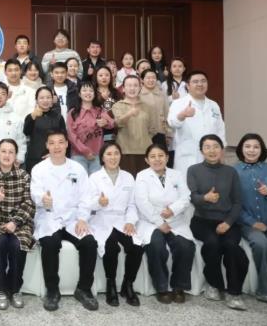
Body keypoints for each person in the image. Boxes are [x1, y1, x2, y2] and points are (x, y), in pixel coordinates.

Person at [30, 131, 98, 311]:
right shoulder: (39, 169)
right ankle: (52, 290)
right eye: (52, 143)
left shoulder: (77, 168)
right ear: (47, 146)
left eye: (61, 142)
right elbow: (35, 193)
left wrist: (82, 218)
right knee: (50, 244)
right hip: (49, 217)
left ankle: (84, 289)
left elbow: (86, 196)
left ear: (67, 144)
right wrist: (43, 199)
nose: (57, 146)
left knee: (89, 243)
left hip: (73, 218)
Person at [188, 134, 249, 311]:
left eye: (215, 146)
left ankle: (234, 293)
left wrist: (228, 223)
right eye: (207, 147)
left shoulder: (231, 172)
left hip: (227, 221)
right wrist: (204, 198)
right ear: (201, 151)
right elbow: (192, 197)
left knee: (232, 247)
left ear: (222, 150)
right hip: (202, 220)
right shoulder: (193, 170)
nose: (212, 150)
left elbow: (237, 202)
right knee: (212, 243)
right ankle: (215, 285)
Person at [135, 143, 195, 304]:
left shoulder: (177, 174)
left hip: (175, 220)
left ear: (167, 158)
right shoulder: (142, 176)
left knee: (186, 246)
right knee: (156, 246)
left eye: (161, 156)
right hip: (150, 221)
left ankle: (179, 286)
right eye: (153, 157)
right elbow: (142, 202)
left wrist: (173, 210)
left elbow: (186, 197)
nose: (157, 159)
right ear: (147, 160)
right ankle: (161, 287)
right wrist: (159, 222)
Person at [87, 142, 143, 307]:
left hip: (122, 220)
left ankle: (128, 284)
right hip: (102, 219)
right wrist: (99, 202)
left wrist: (130, 221)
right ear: (102, 158)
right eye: (109, 154)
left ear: (120, 156)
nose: (113, 157)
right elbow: (88, 204)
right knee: (111, 247)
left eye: (116, 153)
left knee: (136, 247)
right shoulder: (94, 178)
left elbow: (132, 205)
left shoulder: (128, 177)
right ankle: (110, 284)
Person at [0, 139, 35, 310]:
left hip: (20, 222)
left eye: (11, 152)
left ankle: (15, 288)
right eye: (3, 151)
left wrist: (15, 222)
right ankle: (1, 289)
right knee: (0, 243)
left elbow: (29, 203)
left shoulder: (24, 176)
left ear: (16, 155)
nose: (7, 155)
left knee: (17, 245)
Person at [234, 133, 267, 303]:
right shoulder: (234, 172)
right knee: (261, 245)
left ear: (262, 149)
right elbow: (233, 204)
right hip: (248, 224)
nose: (251, 150)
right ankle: (264, 290)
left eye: (256, 147)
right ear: (241, 149)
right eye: (247, 146)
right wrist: (252, 222)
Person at [167, 70, 225, 174]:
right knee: (187, 182)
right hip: (188, 156)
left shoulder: (213, 105)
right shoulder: (178, 103)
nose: (200, 84)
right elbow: (172, 122)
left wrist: (222, 152)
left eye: (203, 81)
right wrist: (183, 115)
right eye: (195, 81)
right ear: (188, 86)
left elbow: (220, 129)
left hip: (211, 155)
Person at [66, 81, 114, 174]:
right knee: (79, 181)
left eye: (91, 91)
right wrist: (85, 151)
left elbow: (112, 123)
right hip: (78, 155)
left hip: (97, 154)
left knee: (96, 181)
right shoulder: (73, 112)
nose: (88, 93)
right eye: (84, 90)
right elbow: (71, 136)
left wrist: (106, 123)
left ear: (94, 94)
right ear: (79, 94)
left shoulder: (100, 110)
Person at [111, 75, 156, 175]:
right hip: (125, 151)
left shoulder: (147, 106)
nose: (132, 88)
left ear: (140, 87)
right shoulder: (117, 106)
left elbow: (152, 129)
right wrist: (129, 114)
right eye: (129, 85)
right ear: (123, 88)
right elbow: (117, 123)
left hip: (145, 150)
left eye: (135, 85)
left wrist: (144, 138)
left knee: (144, 181)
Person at [23, 87, 66, 171]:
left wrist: (53, 154)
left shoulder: (58, 117)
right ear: (36, 100)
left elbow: (64, 138)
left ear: (52, 99)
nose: (45, 100)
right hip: (34, 158)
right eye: (42, 98)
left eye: (48, 97)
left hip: (54, 157)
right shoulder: (31, 116)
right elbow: (26, 132)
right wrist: (33, 117)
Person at [140, 69, 171, 147]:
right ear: (142, 80)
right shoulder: (138, 95)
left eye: (153, 78)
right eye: (148, 78)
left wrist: (168, 133)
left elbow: (167, 113)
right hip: (143, 133)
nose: (151, 80)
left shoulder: (162, 94)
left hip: (160, 131)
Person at [94, 66, 121, 142]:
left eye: (107, 75)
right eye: (101, 75)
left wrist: (107, 100)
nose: (104, 77)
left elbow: (120, 112)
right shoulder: (92, 92)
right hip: (95, 131)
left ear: (111, 77)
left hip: (112, 131)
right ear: (96, 77)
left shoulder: (116, 93)